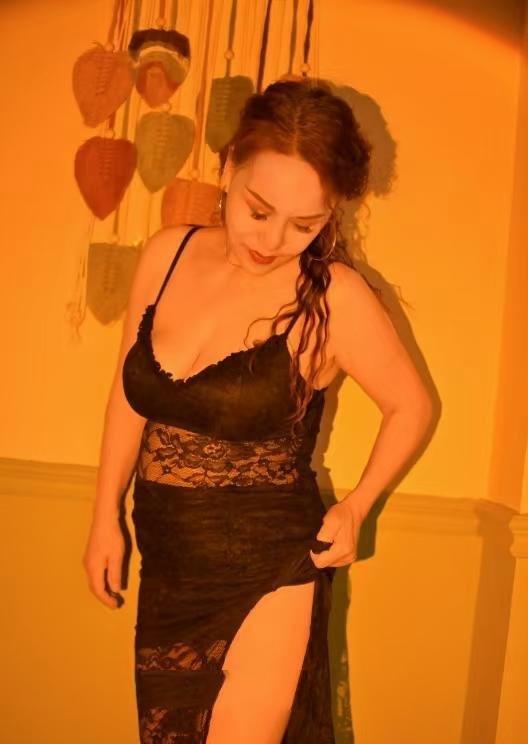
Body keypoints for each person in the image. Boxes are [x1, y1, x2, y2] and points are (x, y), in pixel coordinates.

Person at [83, 79, 433, 744]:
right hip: (168, 566)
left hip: (269, 569)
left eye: (306, 225)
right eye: (259, 210)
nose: (274, 240)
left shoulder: (332, 297)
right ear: (228, 169)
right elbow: (128, 395)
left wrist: (357, 506)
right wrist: (105, 516)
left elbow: (410, 406)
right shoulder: (166, 255)